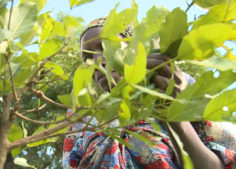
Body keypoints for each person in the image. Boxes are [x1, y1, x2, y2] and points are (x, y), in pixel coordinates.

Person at [62, 17, 236, 169]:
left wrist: (174, 118)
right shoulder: (81, 116)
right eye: (87, 58)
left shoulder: (179, 87)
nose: (97, 61)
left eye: (104, 46)